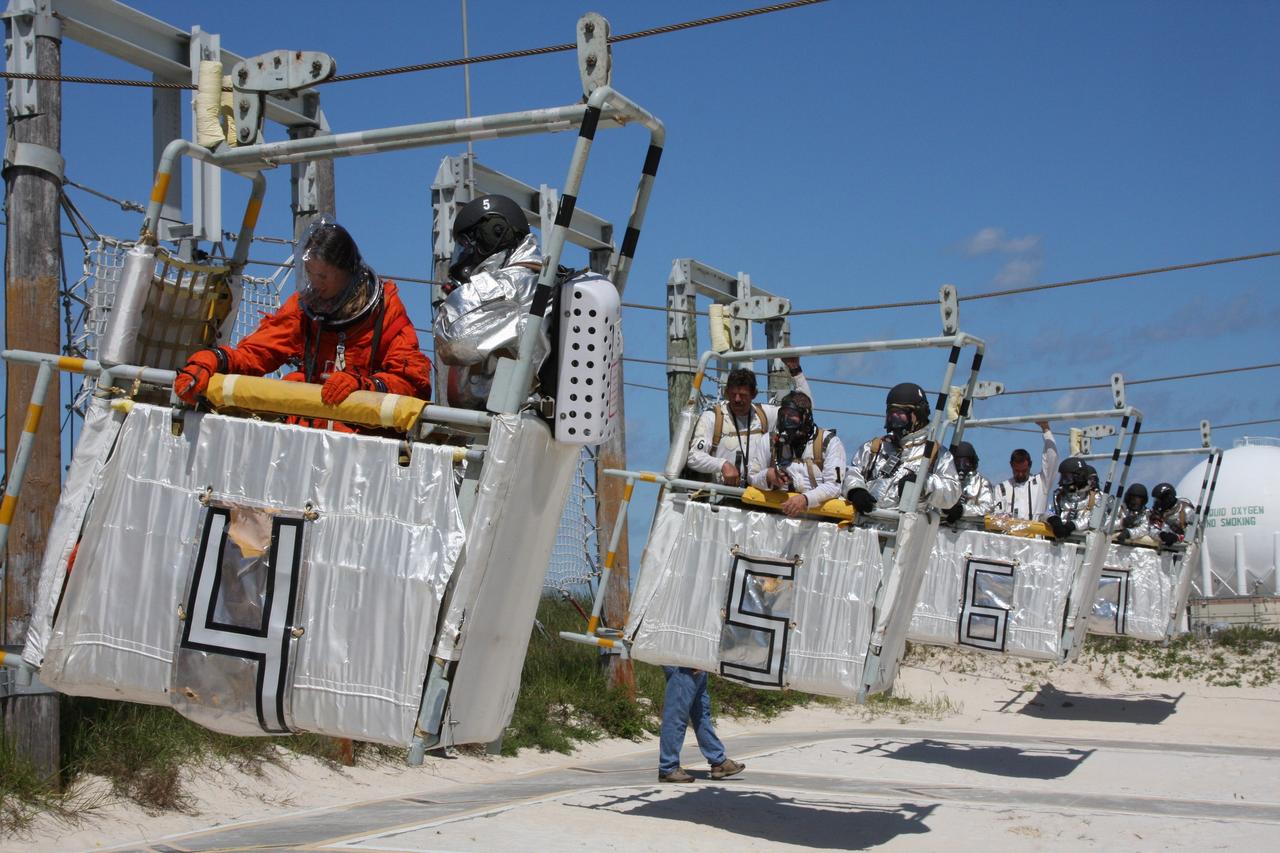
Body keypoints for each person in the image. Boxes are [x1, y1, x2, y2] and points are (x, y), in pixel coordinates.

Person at [173, 220, 432, 422]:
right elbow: (258, 353)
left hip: (366, 439)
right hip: (307, 436)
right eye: (310, 275)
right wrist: (215, 360)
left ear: (348, 272)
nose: (315, 285)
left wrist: (365, 387)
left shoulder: (385, 311)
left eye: (323, 276)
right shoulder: (303, 309)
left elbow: (413, 385)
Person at [432, 194, 545, 408]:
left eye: (466, 245)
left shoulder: (512, 285)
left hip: (516, 422)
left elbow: (449, 339)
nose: (463, 257)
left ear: (494, 233)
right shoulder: (534, 281)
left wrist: (461, 296)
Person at [686, 359, 811, 486]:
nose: (737, 399)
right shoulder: (712, 418)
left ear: (754, 394)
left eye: (743, 395)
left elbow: (804, 406)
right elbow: (694, 457)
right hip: (722, 495)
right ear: (726, 392)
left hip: (757, 495)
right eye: (733, 394)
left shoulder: (765, 415)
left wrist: (796, 370)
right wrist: (722, 464)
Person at [843, 382, 961, 516]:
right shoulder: (876, 447)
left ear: (918, 415)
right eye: (891, 415)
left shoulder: (936, 453)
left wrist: (923, 483)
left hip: (908, 528)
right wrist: (856, 490)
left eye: (900, 415)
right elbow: (852, 471)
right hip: (869, 525)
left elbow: (952, 492)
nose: (894, 421)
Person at [747, 391, 846, 517]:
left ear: (806, 417)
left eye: (792, 415)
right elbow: (752, 477)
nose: (786, 420)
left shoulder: (829, 442)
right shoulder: (769, 440)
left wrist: (805, 499)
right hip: (776, 518)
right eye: (782, 414)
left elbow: (834, 486)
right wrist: (768, 476)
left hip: (818, 522)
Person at [658, 666, 745, 783]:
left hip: (697, 664)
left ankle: (718, 761)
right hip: (683, 664)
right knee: (676, 716)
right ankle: (668, 768)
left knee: (702, 716)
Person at [994, 420, 1058, 519]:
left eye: (1024, 471)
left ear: (1030, 465)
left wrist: (1046, 429)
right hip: (1009, 534)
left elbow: (1052, 458)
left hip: (1036, 533)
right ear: (1011, 465)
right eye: (1016, 471)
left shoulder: (1042, 483)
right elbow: (997, 516)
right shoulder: (1001, 488)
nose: (1020, 475)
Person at [1045, 457, 1099, 539]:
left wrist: (1073, 525)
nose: (1063, 482)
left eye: (1067, 478)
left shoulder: (1094, 496)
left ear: (1078, 477)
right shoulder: (1060, 496)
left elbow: (1099, 519)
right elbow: (1048, 511)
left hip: (1085, 545)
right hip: (1062, 545)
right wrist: (1053, 519)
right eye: (1062, 478)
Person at [943, 440, 995, 523]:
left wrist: (963, 510)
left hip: (969, 531)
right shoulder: (945, 480)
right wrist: (943, 508)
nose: (961, 465)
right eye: (957, 462)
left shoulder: (982, 482)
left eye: (966, 462)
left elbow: (988, 508)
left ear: (972, 462)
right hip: (942, 529)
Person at [1148, 482, 1196, 547]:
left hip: (1182, 551)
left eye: (1159, 499)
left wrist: (1176, 538)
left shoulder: (1186, 511)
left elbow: (1194, 536)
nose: (1157, 502)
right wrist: (1161, 534)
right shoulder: (1159, 513)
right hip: (1162, 550)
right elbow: (1150, 529)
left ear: (1167, 498)